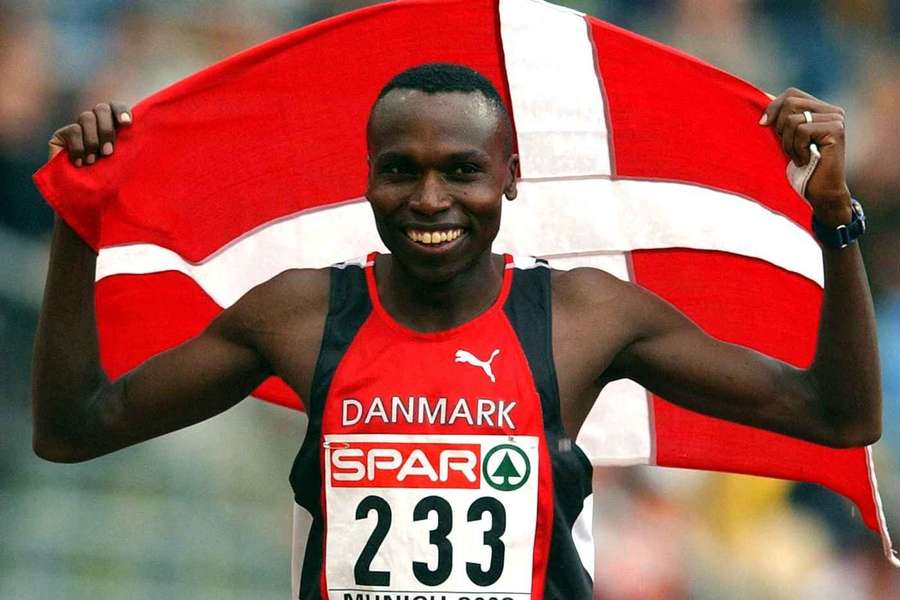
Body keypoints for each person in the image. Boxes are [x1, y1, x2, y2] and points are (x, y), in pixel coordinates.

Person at [33, 64, 881, 599]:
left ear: (509, 178)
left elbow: (837, 417)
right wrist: (81, 222)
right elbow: (74, 430)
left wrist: (836, 220)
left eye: (462, 171)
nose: (431, 200)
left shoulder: (586, 316)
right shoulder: (296, 314)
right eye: (401, 169)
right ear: (365, 178)